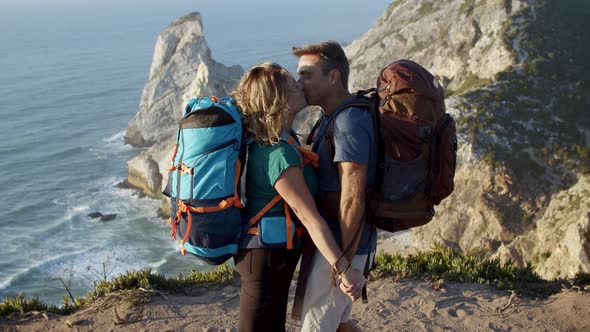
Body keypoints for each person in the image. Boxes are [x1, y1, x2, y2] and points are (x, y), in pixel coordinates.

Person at [231, 62, 367, 332]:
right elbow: (310, 217)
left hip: (270, 255)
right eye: (294, 85)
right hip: (264, 258)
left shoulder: (284, 140)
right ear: (281, 101)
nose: (300, 85)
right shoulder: (278, 154)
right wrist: (343, 268)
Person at [292, 41, 378, 332]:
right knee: (341, 326)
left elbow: (352, 196)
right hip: (338, 243)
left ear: (333, 76)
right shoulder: (332, 117)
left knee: (316, 327)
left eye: (307, 75)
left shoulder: (348, 121)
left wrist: (343, 263)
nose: (298, 83)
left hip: (343, 245)